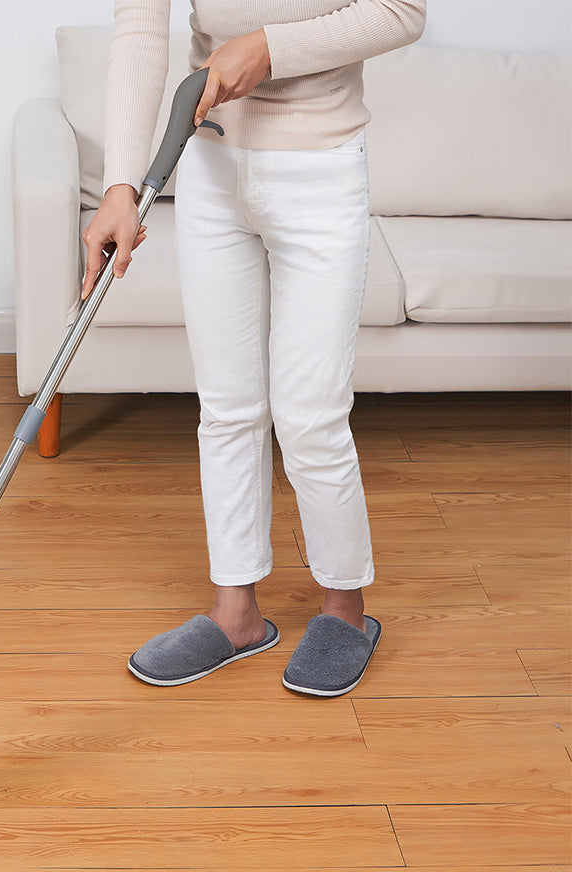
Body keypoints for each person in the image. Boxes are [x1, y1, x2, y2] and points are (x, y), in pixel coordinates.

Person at [82, 0, 426, 696]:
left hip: (322, 168)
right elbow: (141, 27)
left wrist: (269, 47)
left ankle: (345, 610)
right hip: (212, 167)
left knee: (308, 413)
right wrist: (121, 182)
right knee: (229, 405)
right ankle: (235, 612)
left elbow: (402, 10)